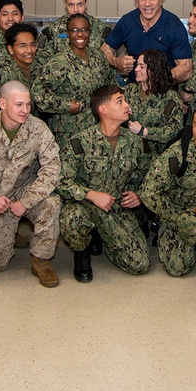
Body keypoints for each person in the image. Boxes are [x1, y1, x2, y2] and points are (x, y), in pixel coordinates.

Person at [0, 80, 62, 287]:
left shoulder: (38, 128)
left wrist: (26, 202)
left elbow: (52, 169)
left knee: (52, 204)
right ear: (2, 104)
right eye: (19, 105)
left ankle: (41, 260)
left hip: (23, 191)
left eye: (28, 105)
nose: (25, 110)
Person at [57, 84, 151, 282]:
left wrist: (139, 195)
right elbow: (60, 181)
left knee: (140, 265)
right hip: (85, 205)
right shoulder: (80, 142)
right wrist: (91, 194)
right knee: (73, 219)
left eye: (125, 100)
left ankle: (102, 236)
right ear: (103, 109)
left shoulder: (135, 143)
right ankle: (82, 253)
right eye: (120, 101)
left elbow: (146, 176)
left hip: (115, 208)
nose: (127, 105)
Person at [140, 105, 196, 276]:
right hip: (180, 213)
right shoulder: (176, 155)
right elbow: (148, 191)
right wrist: (180, 216)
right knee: (178, 267)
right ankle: (170, 233)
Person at [32, 13, 115, 148]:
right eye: (74, 30)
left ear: (90, 32)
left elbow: (110, 85)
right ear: (68, 33)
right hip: (69, 133)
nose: (80, 34)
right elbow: (38, 92)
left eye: (84, 30)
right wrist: (65, 105)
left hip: (97, 129)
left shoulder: (98, 57)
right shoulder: (60, 62)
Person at [100, 0, 192, 83]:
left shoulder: (174, 26)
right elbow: (104, 50)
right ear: (136, 2)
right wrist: (117, 62)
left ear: (161, 0)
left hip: (164, 91)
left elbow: (186, 69)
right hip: (134, 90)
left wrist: (157, 79)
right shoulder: (127, 21)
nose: (147, 4)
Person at [124, 49, 184, 180]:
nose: (136, 69)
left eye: (142, 66)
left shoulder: (169, 98)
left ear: (154, 69)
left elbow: (174, 130)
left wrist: (145, 131)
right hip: (130, 157)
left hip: (156, 161)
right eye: (137, 65)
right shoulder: (130, 91)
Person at [35, 0, 112, 66]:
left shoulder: (101, 30)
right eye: (71, 5)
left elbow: (108, 63)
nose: (76, 10)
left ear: (86, 3)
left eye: (80, 4)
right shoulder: (52, 31)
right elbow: (44, 62)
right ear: (65, 3)